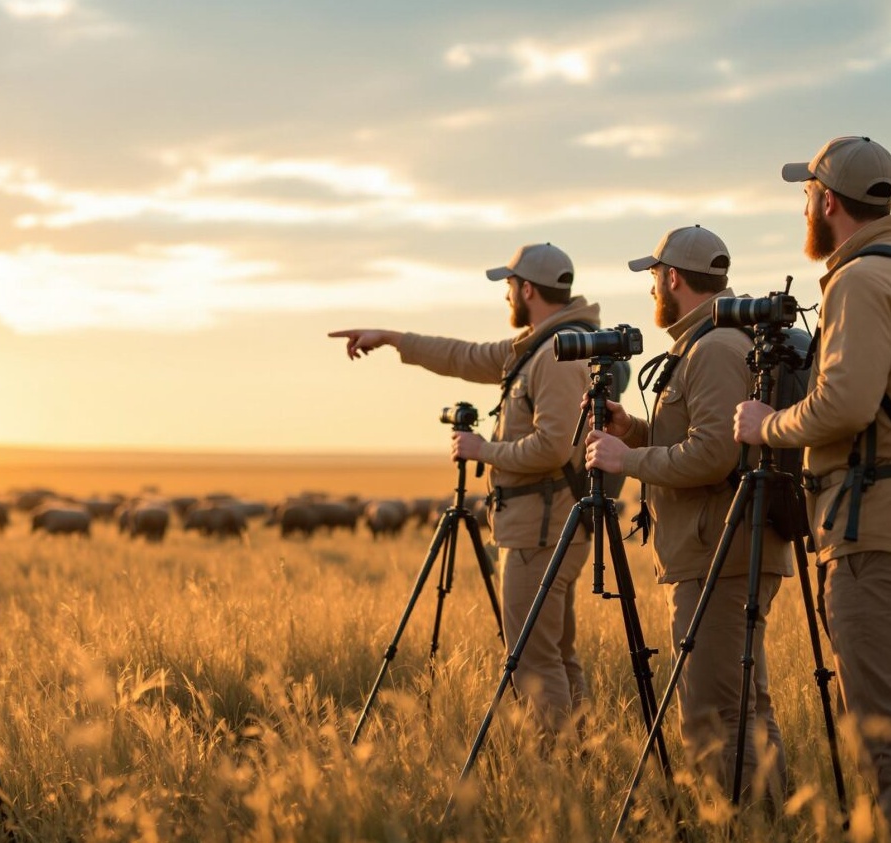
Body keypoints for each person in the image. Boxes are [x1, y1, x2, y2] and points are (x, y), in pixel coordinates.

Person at [329, 242, 599, 733]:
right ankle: (584, 757)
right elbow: (463, 355)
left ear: (528, 289)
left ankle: (554, 771)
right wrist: (392, 338)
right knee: (555, 651)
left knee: (534, 661)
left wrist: (482, 451)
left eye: (510, 286)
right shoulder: (541, 345)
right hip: (546, 524)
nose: (506, 297)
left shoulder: (556, 355)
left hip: (540, 528)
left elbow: (553, 449)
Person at [584, 225, 791, 804]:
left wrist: (628, 457)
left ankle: (743, 824)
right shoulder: (706, 343)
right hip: (712, 548)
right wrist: (638, 432)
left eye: (654, 276)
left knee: (716, 713)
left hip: (720, 552)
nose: (654, 287)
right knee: (739, 705)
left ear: (672, 278)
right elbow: (705, 441)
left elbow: (715, 455)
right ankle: (773, 821)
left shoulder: (717, 346)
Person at [735, 135, 891, 826]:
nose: (807, 206)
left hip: (870, 536)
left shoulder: (859, 278)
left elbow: (847, 405)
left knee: (882, 740)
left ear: (828, 201)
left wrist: (766, 425)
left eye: (807, 194)